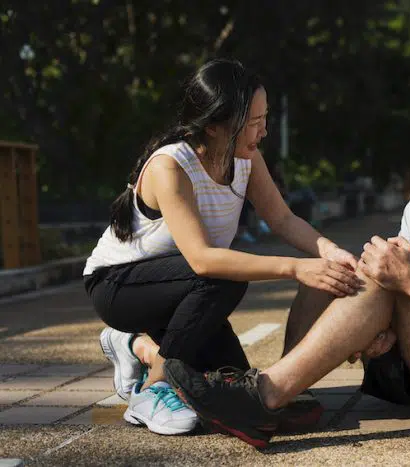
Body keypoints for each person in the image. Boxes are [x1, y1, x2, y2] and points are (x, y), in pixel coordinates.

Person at [162, 90, 410, 448]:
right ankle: (289, 401)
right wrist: (380, 331)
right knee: (333, 270)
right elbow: (398, 300)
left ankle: (264, 396)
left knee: (380, 282)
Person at [84, 59, 363, 436]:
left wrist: (328, 251)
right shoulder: (172, 166)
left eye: (265, 118)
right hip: (118, 286)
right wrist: (295, 268)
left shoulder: (246, 159)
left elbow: (282, 220)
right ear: (214, 125)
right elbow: (201, 260)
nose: (263, 131)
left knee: (231, 385)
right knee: (224, 280)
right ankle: (152, 390)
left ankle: (138, 347)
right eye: (254, 122)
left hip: (184, 291)